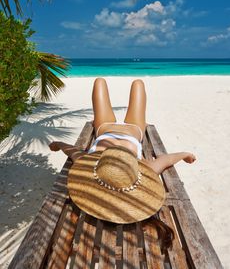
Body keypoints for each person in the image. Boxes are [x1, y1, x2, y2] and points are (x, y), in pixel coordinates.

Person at [49, 78, 196, 252]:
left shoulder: (132, 169)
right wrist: (184, 154)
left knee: (104, 82)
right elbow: (165, 161)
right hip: (127, 130)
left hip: (112, 129)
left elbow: (71, 150)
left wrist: (184, 155)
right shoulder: (132, 170)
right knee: (134, 84)